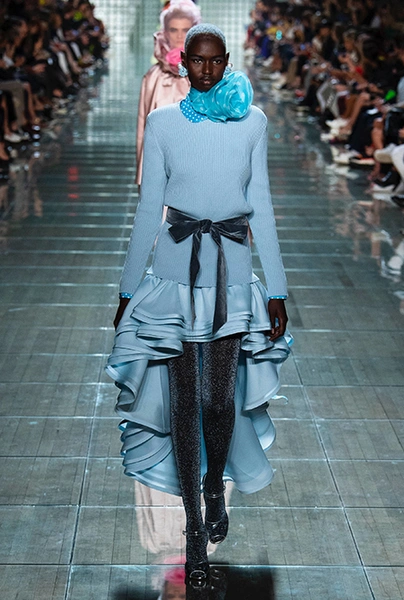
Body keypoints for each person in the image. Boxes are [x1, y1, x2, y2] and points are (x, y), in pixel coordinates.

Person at [107, 24, 291, 581]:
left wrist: (277, 288)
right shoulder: (162, 123)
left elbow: (261, 204)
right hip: (173, 275)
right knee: (184, 403)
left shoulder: (253, 123)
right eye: (197, 61)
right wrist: (127, 288)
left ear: (226, 61)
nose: (206, 70)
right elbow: (149, 208)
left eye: (215, 61)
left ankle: (213, 484)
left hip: (231, 274)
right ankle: (192, 527)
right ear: (183, 61)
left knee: (217, 400)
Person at [136, 0, 201, 184]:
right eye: (173, 30)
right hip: (159, 167)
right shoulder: (153, 77)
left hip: (198, 166)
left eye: (186, 30)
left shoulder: (206, 75)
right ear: (165, 33)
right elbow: (143, 130)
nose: (180, 36)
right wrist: (143, 177)